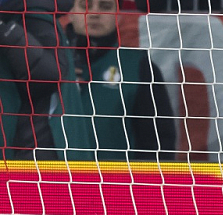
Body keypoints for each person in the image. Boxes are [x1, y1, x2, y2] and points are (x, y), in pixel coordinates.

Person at [67, 0, 176, 160]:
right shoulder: (47, 63)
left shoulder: (139, 67)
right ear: (70, 13)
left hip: (117, 182)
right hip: (51, 179)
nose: (95, 14)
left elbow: (159, 145)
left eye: (105, 7)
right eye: (85, 6)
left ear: (118, 16)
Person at [0, 0, 92, 160]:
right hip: (37, 153)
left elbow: (47, 76)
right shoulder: (28, 14)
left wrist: (7, 31)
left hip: (33, 156)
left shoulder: (32, 16)